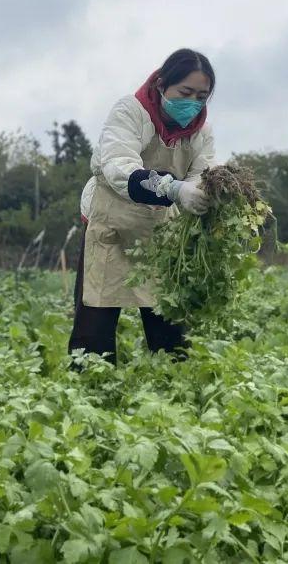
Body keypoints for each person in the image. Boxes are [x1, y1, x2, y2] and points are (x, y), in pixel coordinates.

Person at [68, 48, 217, 366]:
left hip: (161, 228)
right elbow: (118, 166)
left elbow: (202, 173)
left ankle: (173, 384)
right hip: (112, 223)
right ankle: (90, 384)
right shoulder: (130, 111)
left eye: (202, 96)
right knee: (96, 317)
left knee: (168, 319)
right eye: (185, 92)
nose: (192, 103)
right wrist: (174, 188)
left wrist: (203, 193)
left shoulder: (201, 133)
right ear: (163, 84)